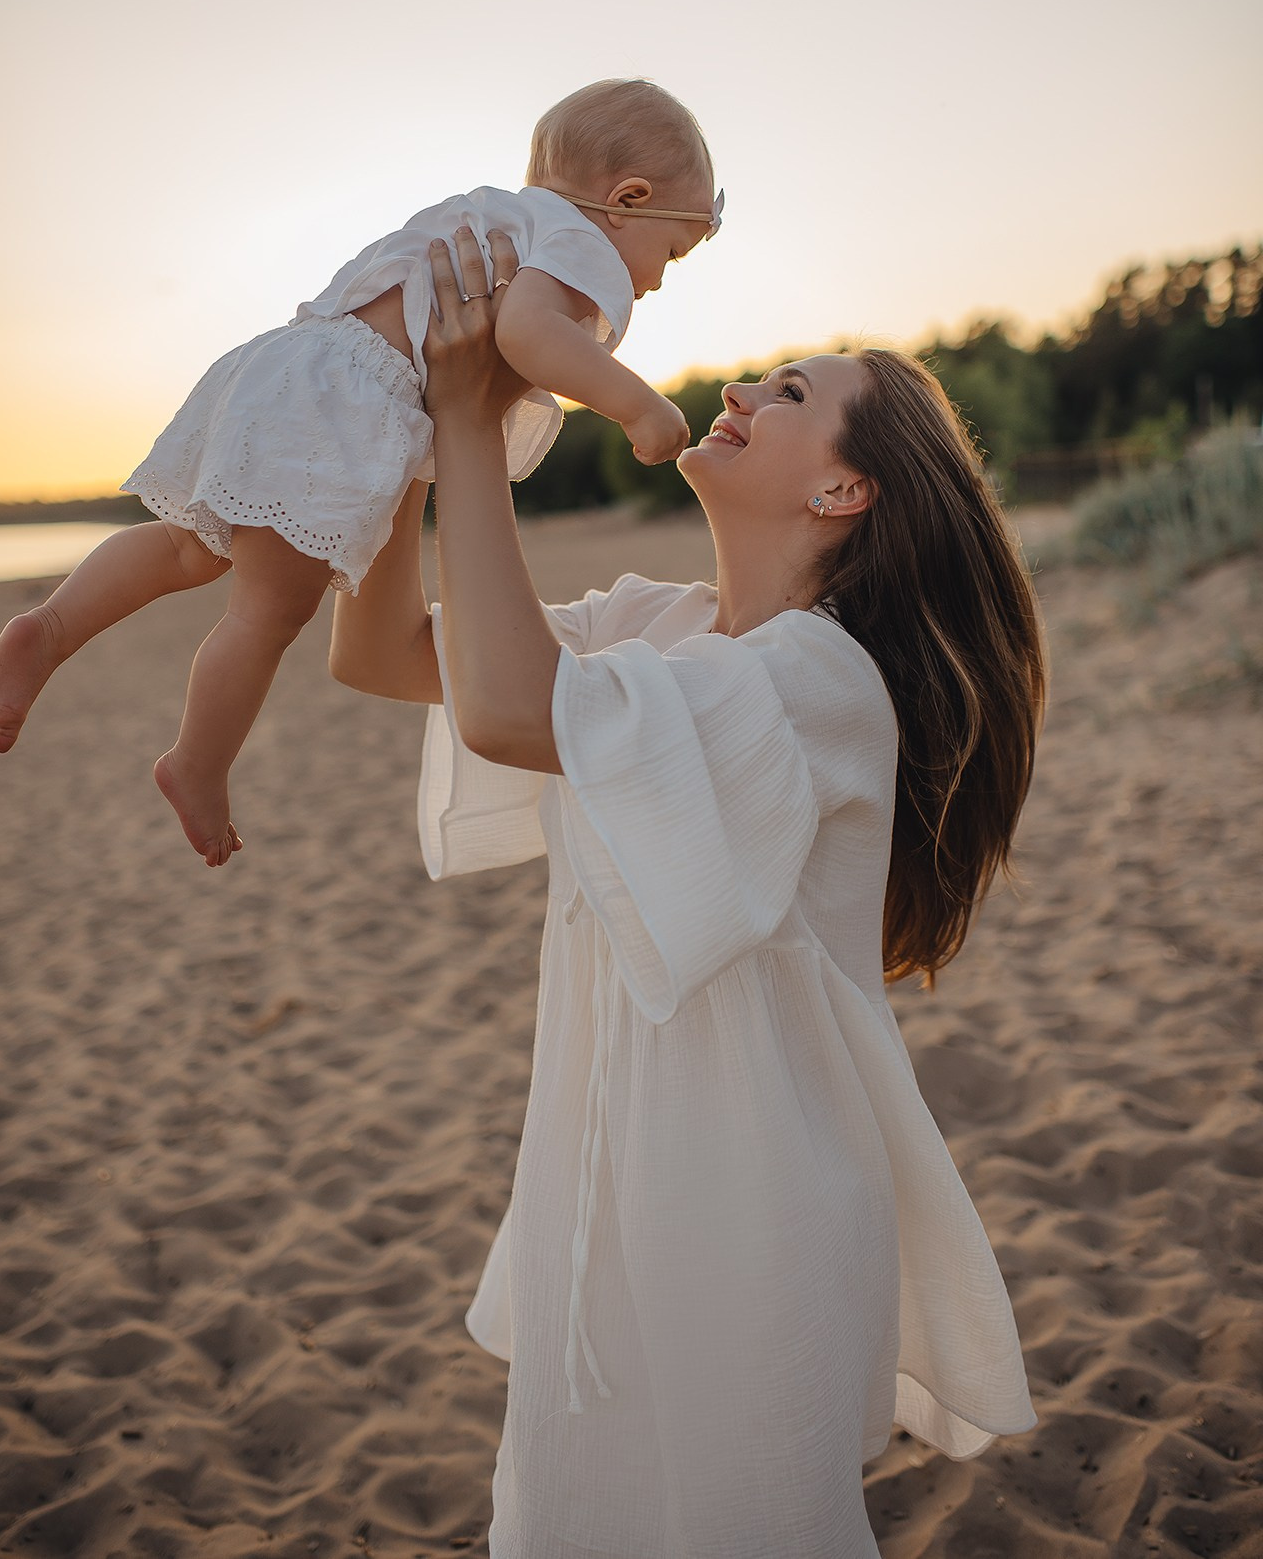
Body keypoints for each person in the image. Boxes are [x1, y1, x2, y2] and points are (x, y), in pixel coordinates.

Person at [329, 225, 1045, 1559]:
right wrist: (414, 430)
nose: (739, 390)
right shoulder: (648, 628)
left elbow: (504, 708)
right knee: (575, 1510)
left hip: (753, 1195)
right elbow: (377, 654)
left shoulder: (823, 682)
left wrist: (475, 425)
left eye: (789, 393)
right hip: (604, 1168)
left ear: (843, 488)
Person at [0, 80, 720, 866]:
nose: (657, 278)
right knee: (267, 612)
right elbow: (528, 331)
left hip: (292, 364)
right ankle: (196, 762)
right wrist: (638, 406)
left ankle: (46, 626)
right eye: (672, 252)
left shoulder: (495, 212)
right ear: (627, 200)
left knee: (187, 548)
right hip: (348, 403)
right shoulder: (580, 241)